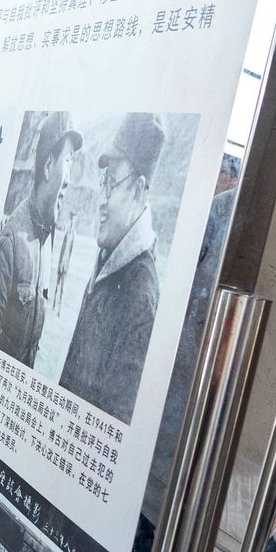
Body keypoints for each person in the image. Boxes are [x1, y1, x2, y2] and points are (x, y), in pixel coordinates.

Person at [59, 112, 165, 423]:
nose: (101, 200)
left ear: (138, 190)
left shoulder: (140, 295)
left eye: (112, 183)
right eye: (103, 183)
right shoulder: (109, 260)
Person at [0, 112, 82, 368]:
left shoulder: (45, 237)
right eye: (67, 161)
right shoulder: (11, 243)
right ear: (48, 167)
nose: (69, 180)